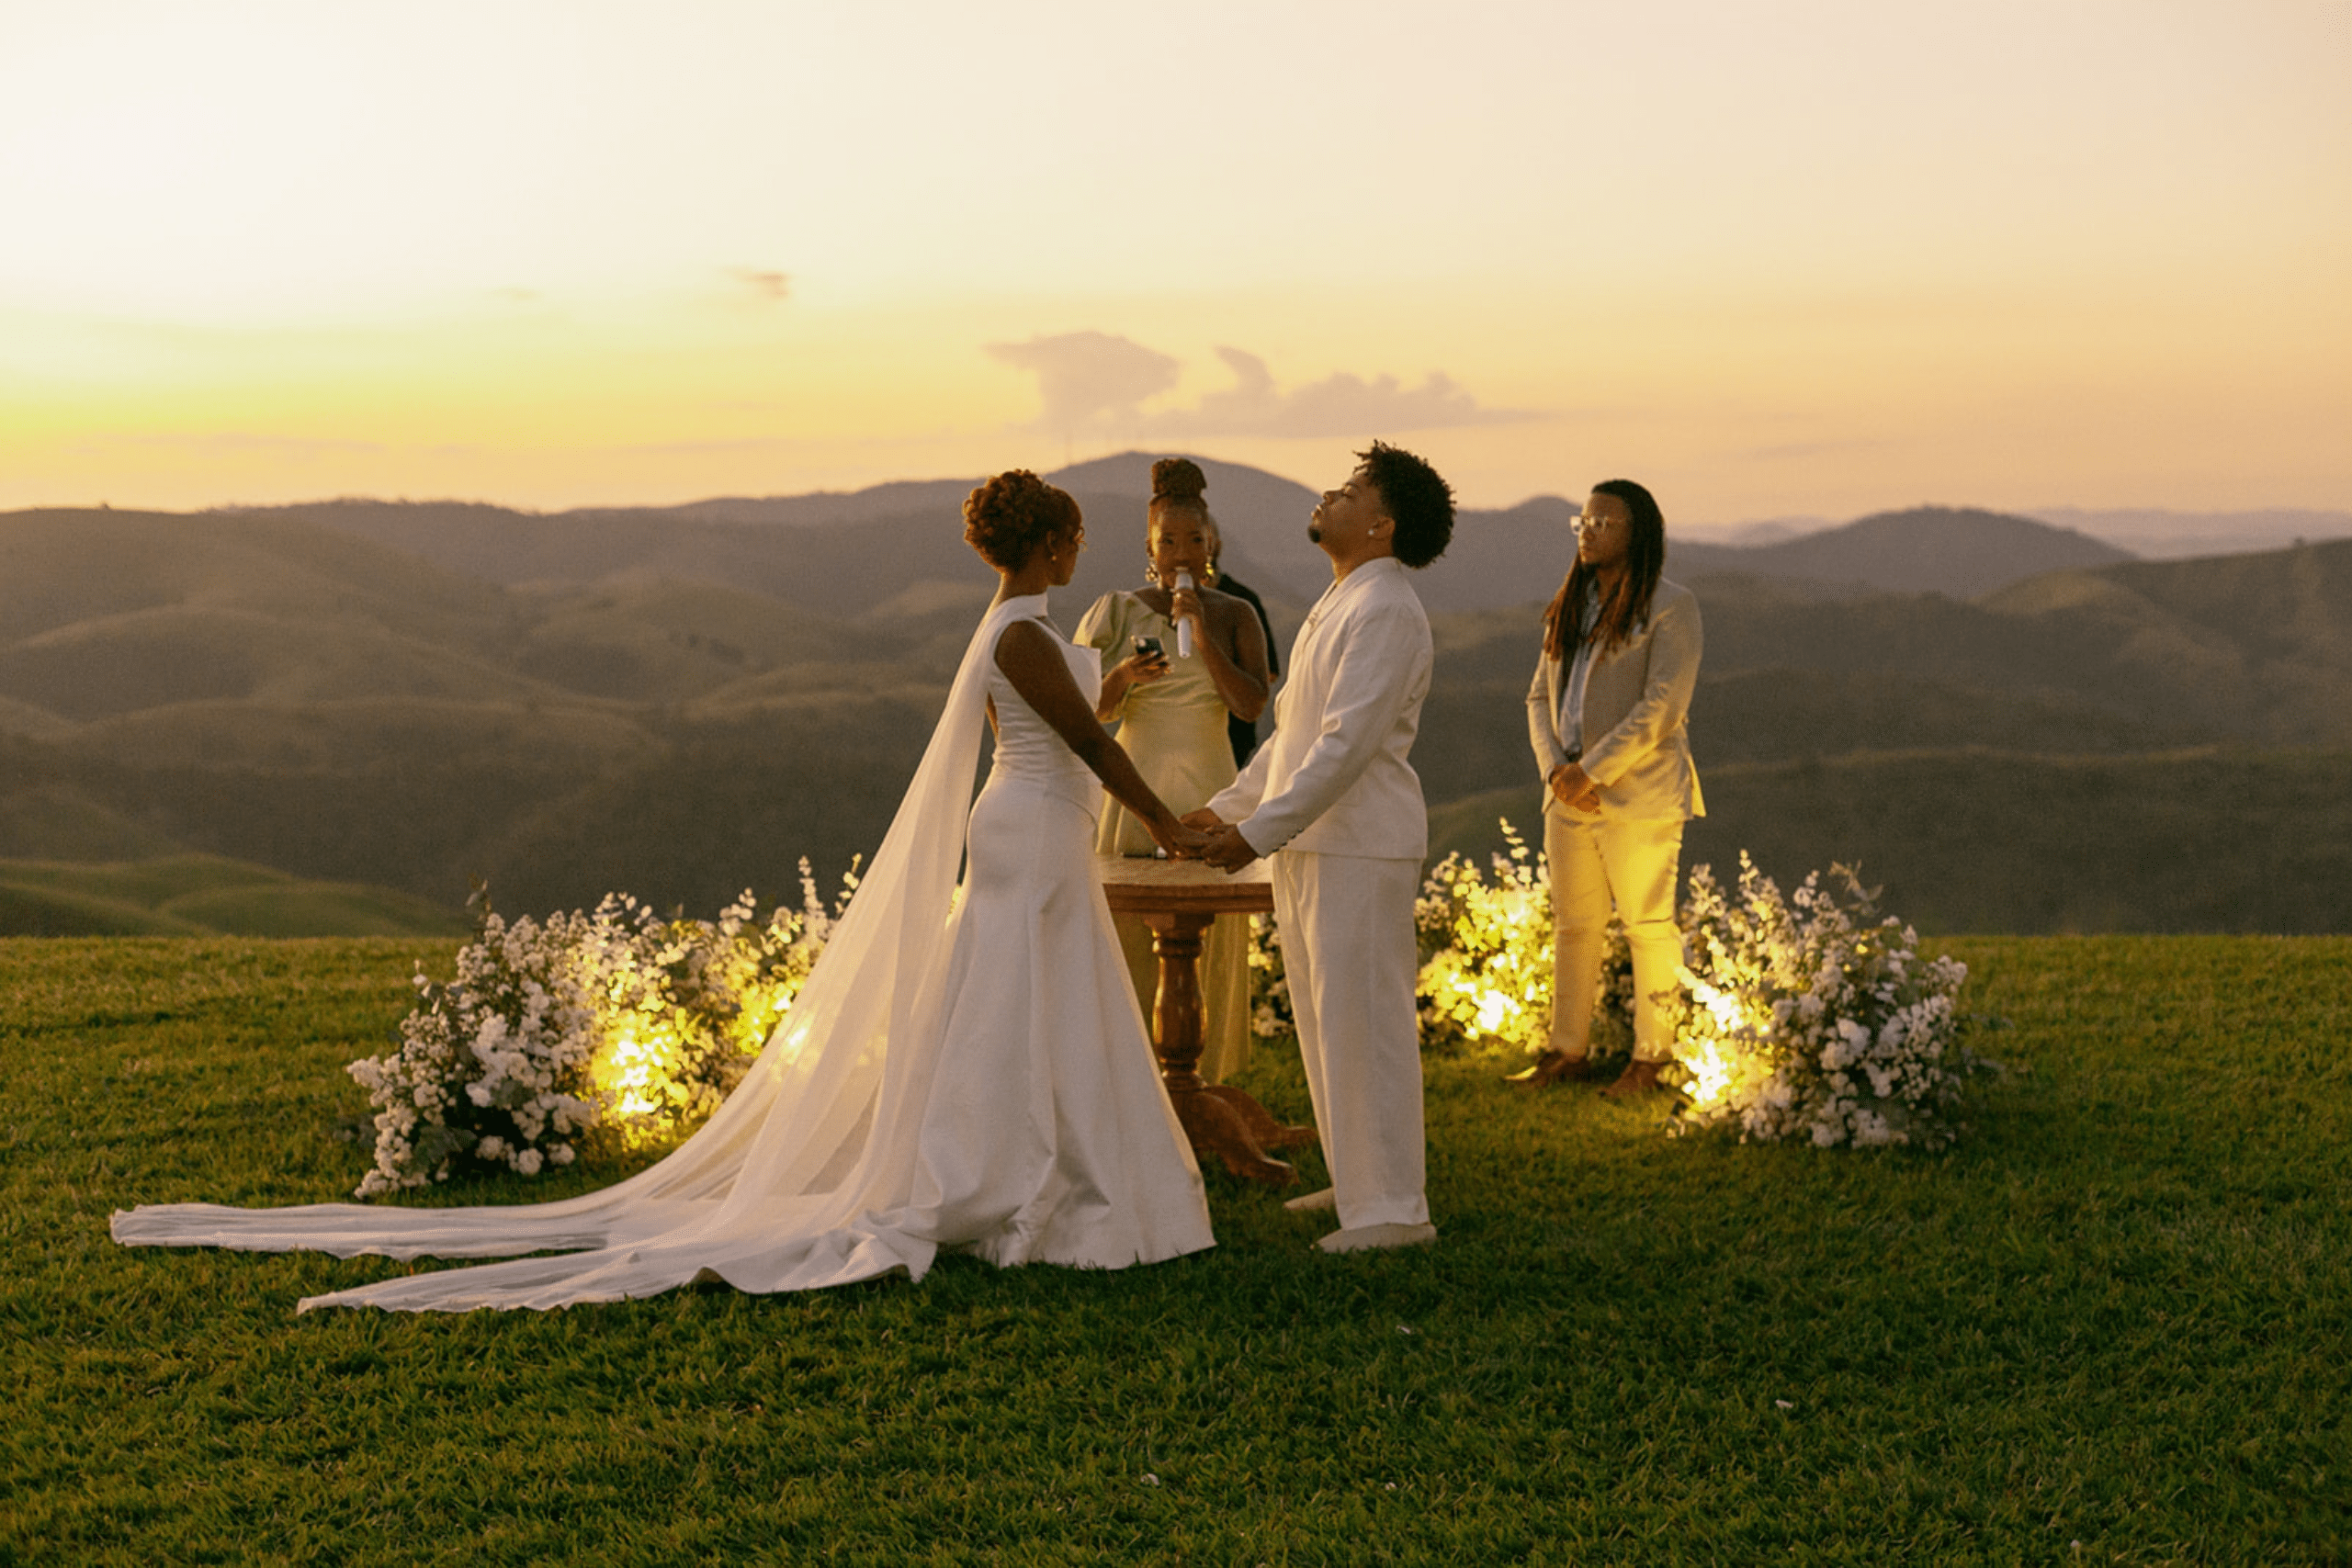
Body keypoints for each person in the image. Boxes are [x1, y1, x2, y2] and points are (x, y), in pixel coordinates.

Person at [112, 472, 1218, 1312]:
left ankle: (1060, 1170)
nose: (1082, 549)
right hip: (1031, 833)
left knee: (1045, 1006)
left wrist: (1115, 688)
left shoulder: (1028, 638)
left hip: (1042, 826)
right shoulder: (1020, 633)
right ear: (1049, 541)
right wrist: (1169, 824)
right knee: (1017, 1006)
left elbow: (1071, 726)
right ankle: (1013, 1181)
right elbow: (1071, 747)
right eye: (1073, 535)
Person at [1187, 441, 1454, 1255]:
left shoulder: (1387, 610)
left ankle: (1395, 1211)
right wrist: (1223, 809)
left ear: (1380, 523)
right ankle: (1357, 1180)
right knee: (1324, 1021)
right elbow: (1290, 741)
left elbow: (1344, 747)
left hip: (1359, 847)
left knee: (1364, 1024)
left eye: (1347, 490)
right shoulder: (1343, 599)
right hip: (1315, 846)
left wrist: (1253, 835)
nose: (1327, 497)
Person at [1507, 479, 1703, 1099]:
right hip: (1565, 795)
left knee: (1647, 923)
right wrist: (1556, 773)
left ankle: (1653, 1058)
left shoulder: (1671, 606)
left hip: (1637, 795)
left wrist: (1589, 772)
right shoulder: (1570, 602)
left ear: (1637, 532)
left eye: (1603, 522)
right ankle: (1567, 1049)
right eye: (1583, 522)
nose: (1588, 531)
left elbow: (1662, 707)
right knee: (1574, 923)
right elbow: (1539, 696)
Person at [1076, 457, 1271, 1084]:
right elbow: (1092, 715)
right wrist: (1124, 675)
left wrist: (1202, 636)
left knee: (1209, 936)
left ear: (1212, 545)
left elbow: (1250, 704)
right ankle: (1128, 1081)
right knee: (1130, 934)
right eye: (1167, 541)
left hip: (1212, 778)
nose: (1180, 551)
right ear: (1149, 547)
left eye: (1193, 540)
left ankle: (1201, 1082)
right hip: (1138, 784)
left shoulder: (1237, 612)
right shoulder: (1117, 611)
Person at [1200, 514, 1280, 768]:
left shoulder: (1243, 601)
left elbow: (1269, 673)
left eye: (1199, 539)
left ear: (1217, 546)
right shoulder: (1163, 602)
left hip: (1232, 731)